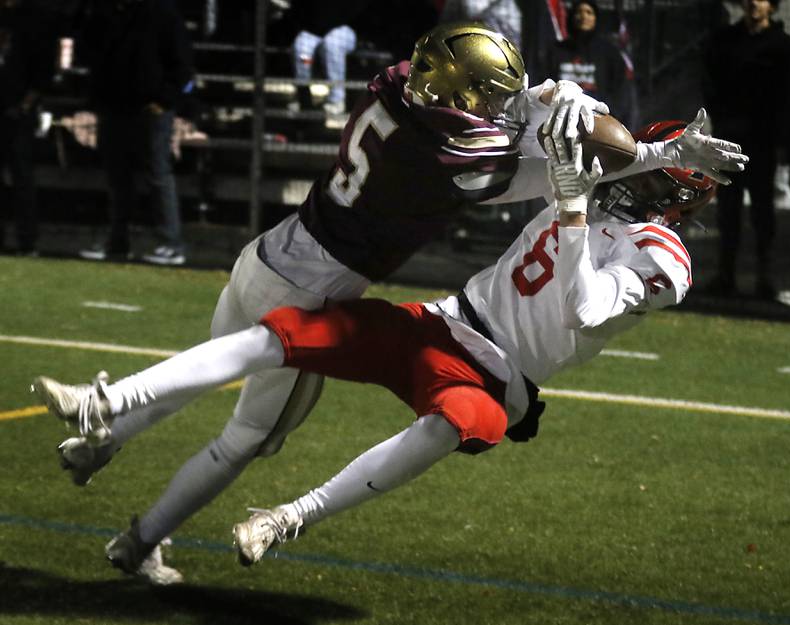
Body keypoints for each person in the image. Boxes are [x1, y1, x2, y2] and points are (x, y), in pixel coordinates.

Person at [33, 22, 746, 585]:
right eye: (489, 97)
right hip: (324, 281)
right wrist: (640, 153)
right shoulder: (455, 162)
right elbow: (550, 170)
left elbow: (518, 128)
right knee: (244, 437)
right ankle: (140, 539)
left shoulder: (395, 83)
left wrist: (541, 106)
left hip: (270, 251)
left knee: (217, 358)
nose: (499, 107)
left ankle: (107, 421)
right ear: (465, 99)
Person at [78, 0, 194, 266]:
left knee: (157, 173)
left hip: (148, 107)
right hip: (116, 105)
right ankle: (117, 241)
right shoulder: (107, 12)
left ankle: (170, 242)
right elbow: (96, 55)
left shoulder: (162, 13)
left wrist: (164, 100)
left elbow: (182, 65)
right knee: (118, 177)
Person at [704, 0, 790, 298]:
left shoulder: (782, 46)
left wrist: (781, 139)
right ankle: (725, 273)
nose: (755, 4)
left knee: (762, 210)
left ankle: (763, 276)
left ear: (772, 7)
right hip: (729, 138)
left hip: (762, 141)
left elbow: (788, 96)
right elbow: (711, 84)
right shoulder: (725, 41)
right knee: (728, 210)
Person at [0, 0, 56, 256]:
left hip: (18, 110)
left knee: (22, 176)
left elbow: (43, 69)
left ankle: (27, 240)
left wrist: (25, 105)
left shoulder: (34, 19)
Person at [546, 0, 630, 125]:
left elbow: (620, 92)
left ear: (596, 18)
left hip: (599, 122)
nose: (584, 16)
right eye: (579, 12)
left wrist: (607, 116)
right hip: (558, 118)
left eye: (589, 12)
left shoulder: (610, 53)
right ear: (572, 17)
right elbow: (545, 84)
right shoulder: (556, 51)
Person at [286, 0, 369, 116]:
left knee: (332, 45)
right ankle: (303, 99)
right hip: (313, 32)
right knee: (302, 50)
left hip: (344, 30)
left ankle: (336, 100)